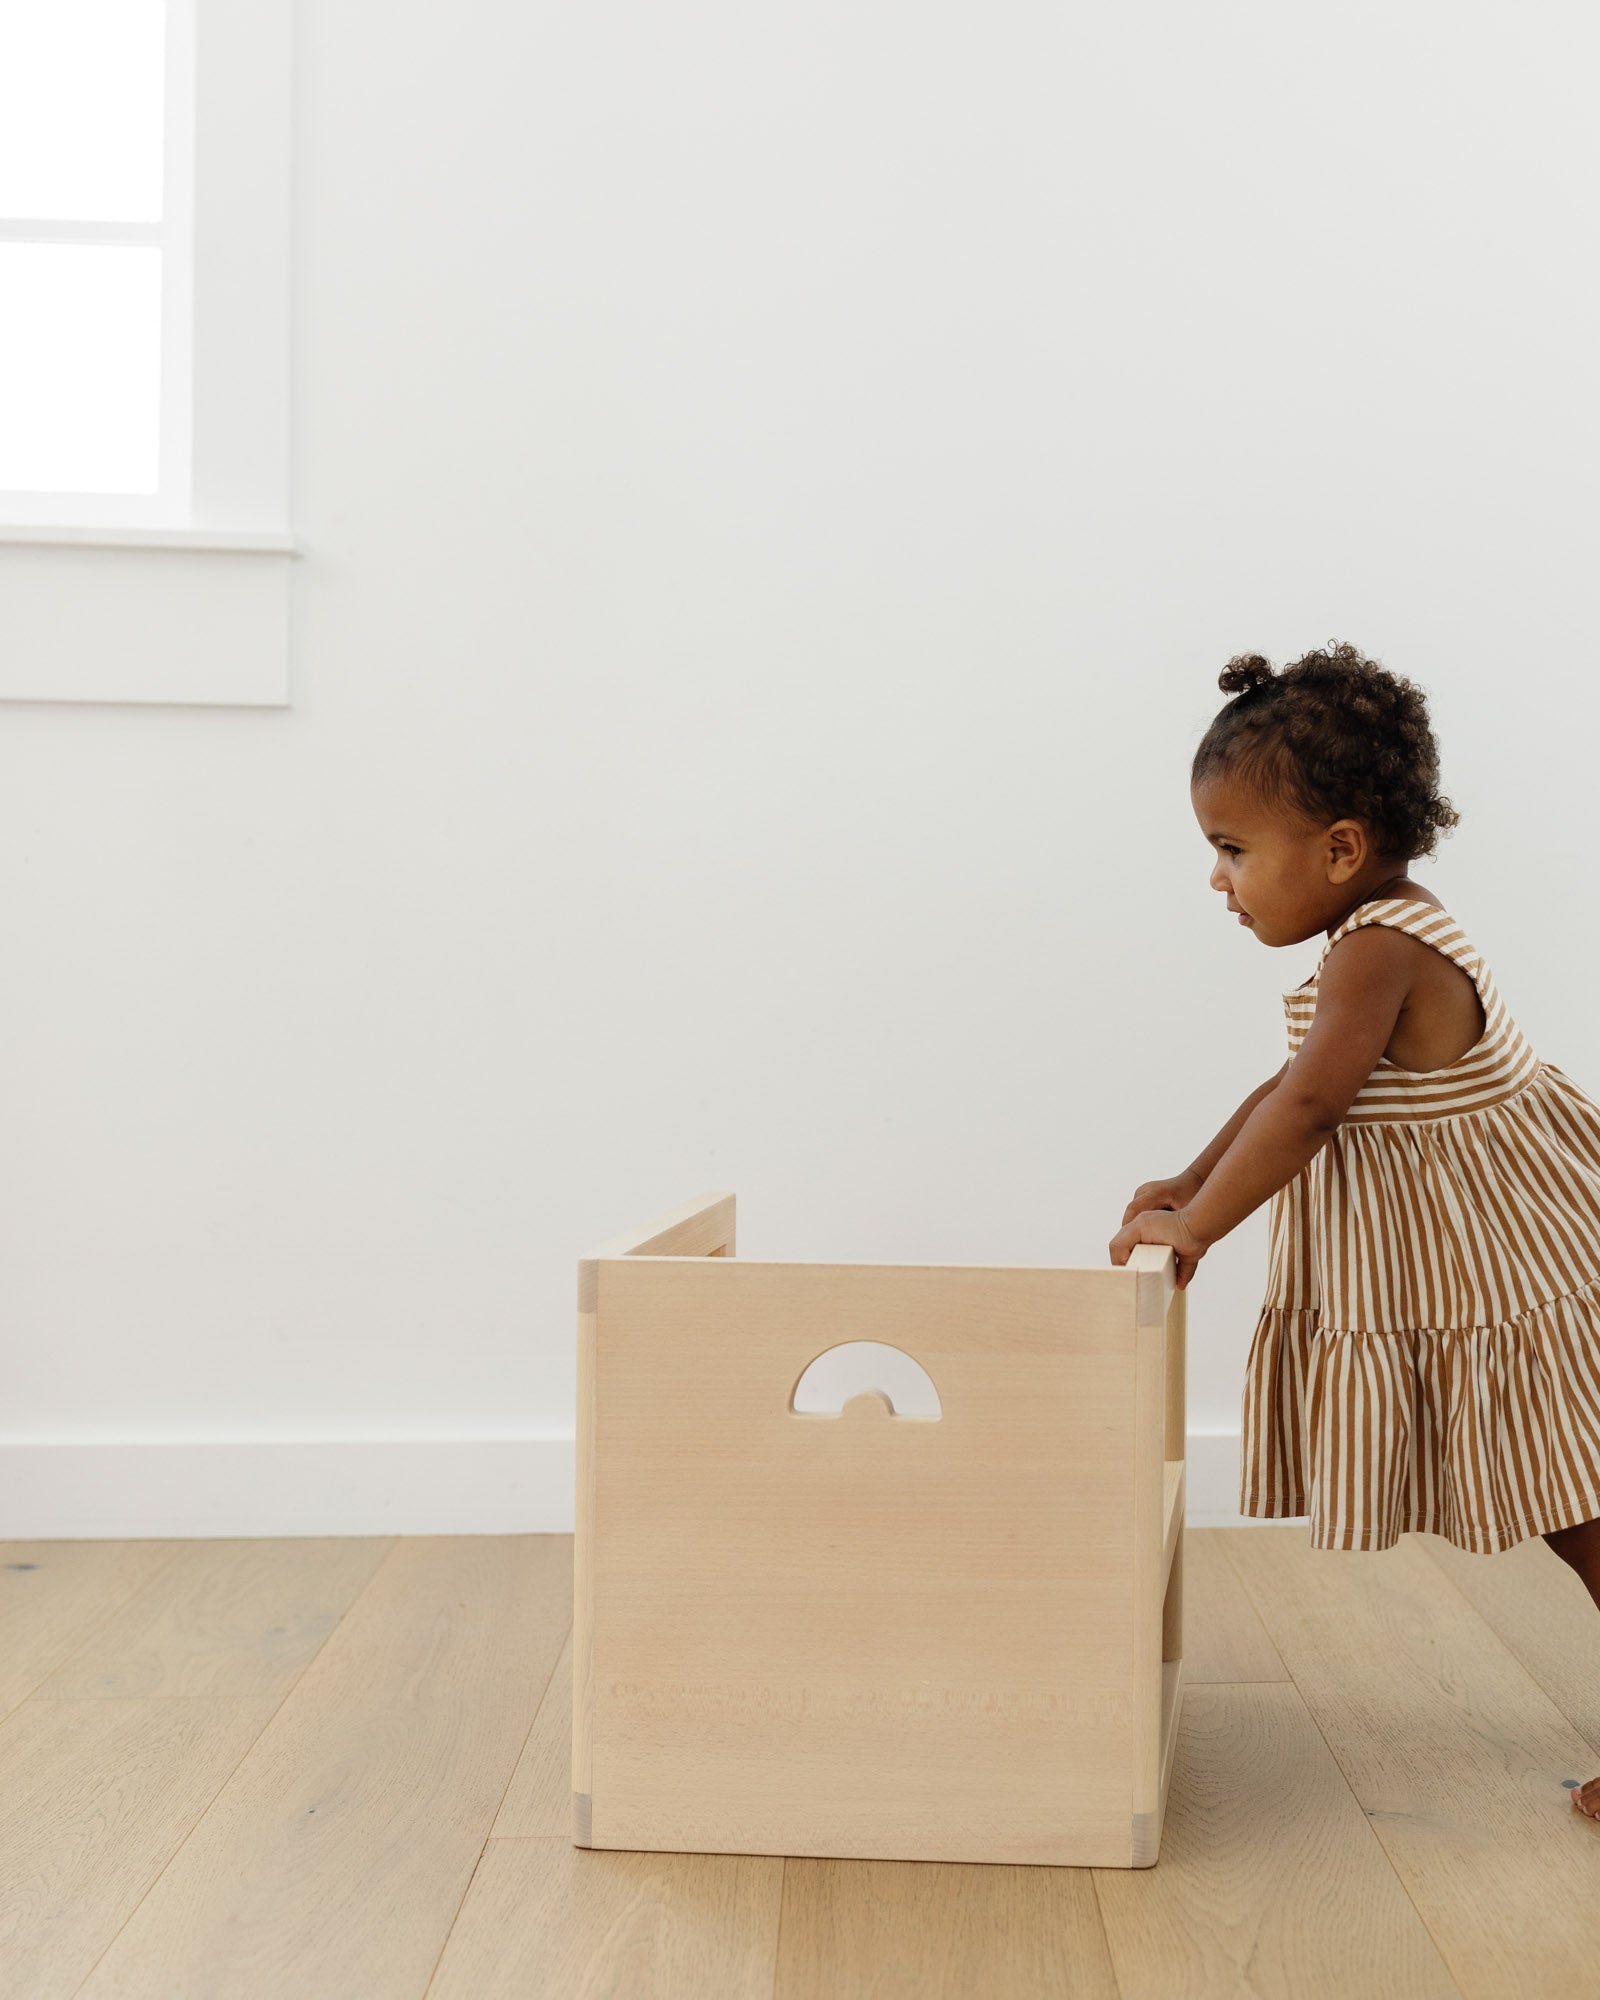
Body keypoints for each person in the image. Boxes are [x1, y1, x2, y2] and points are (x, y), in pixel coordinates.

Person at [1108, 640, 1600, 1823]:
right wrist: (1188, 1173)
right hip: (1485, 1249)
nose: (1218, 880)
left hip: (1510, 1259)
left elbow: (1314, 1108)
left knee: (1582, 1501)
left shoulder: (1380, 945)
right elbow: (1294, 1084)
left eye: (1231, 850)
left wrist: (1198, 1228)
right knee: (1573, 1499)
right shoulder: (1370, 932)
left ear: (1337, 847)